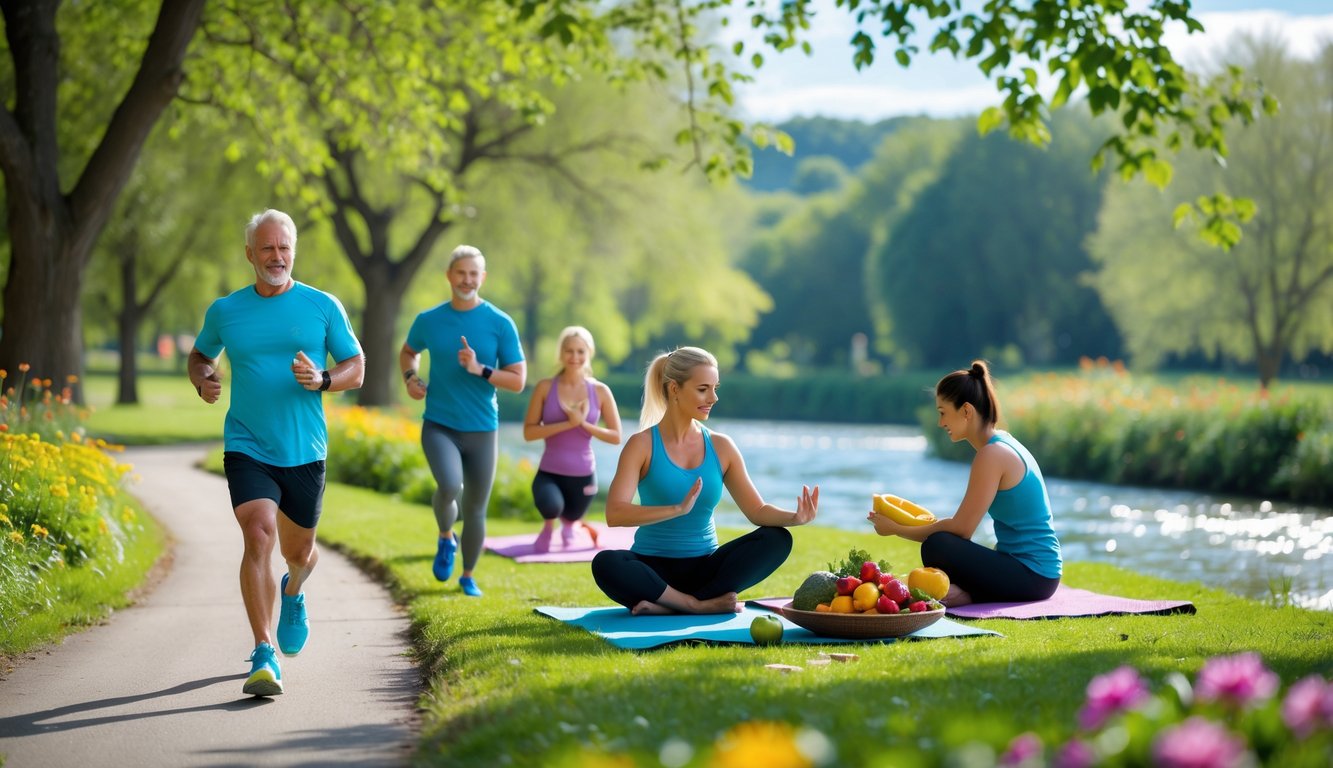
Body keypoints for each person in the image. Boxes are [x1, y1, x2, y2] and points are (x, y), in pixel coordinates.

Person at [188, 209, 365, 697]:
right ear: (250, 253)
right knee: (258, 535)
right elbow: (200, 355)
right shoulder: (226, 311)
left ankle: (293, 590)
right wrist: (203, 379)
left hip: (304, 450)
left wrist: (324, 379)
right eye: (266, 247)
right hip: (247, 444)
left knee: (299, 554)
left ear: (294, 251)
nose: (276, 256)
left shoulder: (322, 305)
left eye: (284, 247)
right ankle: (263, 651)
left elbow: (356, 366)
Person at [591, 347, 819, 615]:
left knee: (777, 539)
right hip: (652, 572)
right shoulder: (641, 445)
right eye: (703, 389)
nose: (713, 397)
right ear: (674, 389)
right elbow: (615, 513)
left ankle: (671, 607)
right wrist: (676, 509)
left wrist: (794, 518)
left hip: (706, 570)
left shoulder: (722, 446)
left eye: (715, 388)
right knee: (606, 563)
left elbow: (757, 511)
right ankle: (694, 605)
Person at [867, 360, 1062, 606]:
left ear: (967, 411)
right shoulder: (1002, 443)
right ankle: (971, 593)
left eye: (943, 412)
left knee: (938, 545)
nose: (940, 423)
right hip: (1037, 573)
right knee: (939, 541)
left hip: (1034, 576)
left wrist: (896, 529)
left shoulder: (992, 455)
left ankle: (970, 595)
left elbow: (961, 529)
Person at [400, 245, 526, 597]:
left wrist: (479, 369)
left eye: (474, 274)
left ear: (482, 278)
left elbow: (517, 380)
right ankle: (445, 536)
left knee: (475, 509)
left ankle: (468, 576)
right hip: (440, 424)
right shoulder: (429, 320)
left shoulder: (500, 323)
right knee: (450, 485)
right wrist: (410, 378)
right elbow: (408, 351)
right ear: (449, 275)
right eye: (461, 273)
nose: (467, 280)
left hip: (483, 429)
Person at [521, 326, 622, 552]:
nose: (574, 356)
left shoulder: (600, 391)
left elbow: (616, 436)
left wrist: (583, 424)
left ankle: (570, 526)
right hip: (549, 472)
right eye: (569, 351)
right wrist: (568, 423)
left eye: (580, 351)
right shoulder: (545, 387)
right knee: (551, 507)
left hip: (583, 474)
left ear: (589, 353)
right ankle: (548, 528)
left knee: (572, 518)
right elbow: (529, 433)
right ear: (561, 353)